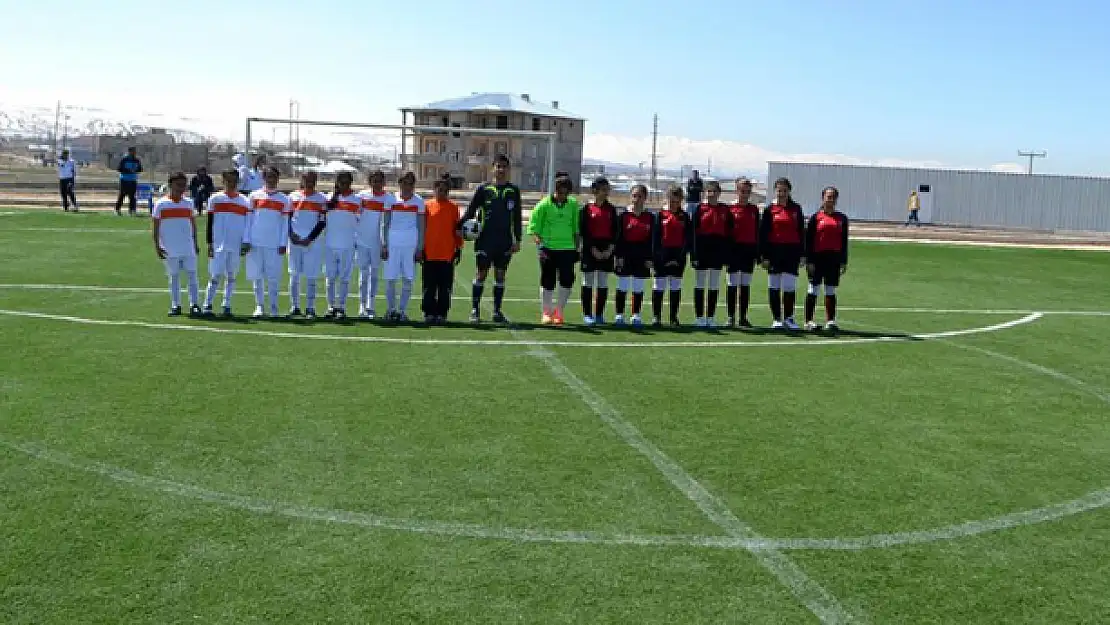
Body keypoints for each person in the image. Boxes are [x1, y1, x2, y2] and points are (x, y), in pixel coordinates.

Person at [459, 153, 522, 323]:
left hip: (505, 241)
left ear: (508, 169)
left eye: (504, 166)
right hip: (485, 239)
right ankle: (475, 310)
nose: (501, 169)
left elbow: (516, 216)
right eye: (498, 166)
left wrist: (518, 240)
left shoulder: (513, 191)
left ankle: (496, 311)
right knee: (481, 274)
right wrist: (459, 226)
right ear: (492, 168)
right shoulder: (483, 189)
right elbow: (471, 211)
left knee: (500, 275)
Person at [528, 174, 580, 325]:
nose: (562, 196)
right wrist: (539, 242)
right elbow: (533, 225)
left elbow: (576, 228)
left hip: (568, 249)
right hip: (548, 249)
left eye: (565, 193)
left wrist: (577, 248)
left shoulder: (573, 204)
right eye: (560, 192)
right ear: (555, 190)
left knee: (567, 280)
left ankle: (559, 311)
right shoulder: (543, 204)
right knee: (547, 280)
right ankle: (546, 312)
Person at [759, 177, 806, 330]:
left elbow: (801, 232)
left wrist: (802, 255)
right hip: (774, 252)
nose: (782, 193)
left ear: (789, 191)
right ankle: (776, 319)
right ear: (775, 191)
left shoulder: (796, 209)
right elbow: (763, 234)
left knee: (789, 287)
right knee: (774, 286)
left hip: (791, 252)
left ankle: (789, 318)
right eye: (779, 190)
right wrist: (764, 256)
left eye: (784, 190)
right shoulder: (769, 209)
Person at [202, 169, 251, 316]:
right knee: (215, 275)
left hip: (235, 244)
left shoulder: (244, 201)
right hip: (218, 245)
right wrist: (209, 243)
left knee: (231, 276)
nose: (231, 184)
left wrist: (245, 242)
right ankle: (207, 304)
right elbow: (209, 223)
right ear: (223, 181)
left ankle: (226, 304)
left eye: (234, 181)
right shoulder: (215, 199)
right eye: (228, 181)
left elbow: (247, 224)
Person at [151, 172, 200, 316]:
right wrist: (157, 246)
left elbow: (193, 224)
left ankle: (194, 305)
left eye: (184, 185)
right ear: (171, 184)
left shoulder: (188, 203)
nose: (181, 188)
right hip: (169, 247)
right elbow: (155, 226)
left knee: (192, 276)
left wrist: (195, 242)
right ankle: (176, 305)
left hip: (187, 246)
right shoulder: (161, 204)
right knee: (174, 276)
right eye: (178, 185)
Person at [245, 167, 291, 318]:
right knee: (257, 276)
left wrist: (283, 242)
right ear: (264, 178)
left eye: (274, 177)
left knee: (273, 277)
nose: (271, 180)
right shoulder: (254, 196)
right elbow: (249, 220)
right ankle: (259, 306)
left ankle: (273, 307)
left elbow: (285, 223)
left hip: (274, 244)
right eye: (268, 177)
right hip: (256, 242)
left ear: (277, 179)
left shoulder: (284, 199)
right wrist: (247, 239)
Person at [804, 186, 850, 331]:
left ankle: (830, 321)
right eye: (828, 197)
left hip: (834, 259)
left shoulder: (842, 218)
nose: (830, 200)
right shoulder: (815, 217)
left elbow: (844, 241)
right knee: (813, 288)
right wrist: (809, 260)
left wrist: (843, 260)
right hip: (817, 259)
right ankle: (808, 321)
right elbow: (808, 240)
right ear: (823, 198)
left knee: (830, 290)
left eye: (833, 197)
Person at [382, 171, 425, 322]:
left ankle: (402, 311)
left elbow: (421, 227)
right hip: (393, 245)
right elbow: (385, 224)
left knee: (408, 279)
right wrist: (384, 245)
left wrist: (419, 248)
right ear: (399, 183)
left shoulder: (419, 202)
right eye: (405, 183)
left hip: (410, 246)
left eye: (411, 184)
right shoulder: (390, 199)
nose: (407, 187)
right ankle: (391, 309)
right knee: (390, 279)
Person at [422, 175, 464, 324]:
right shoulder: (426, 206)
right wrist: (421, 248)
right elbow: (422, 229)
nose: (442, 193)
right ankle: (428, 312)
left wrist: (459, 247)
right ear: (434, 190)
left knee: (445, 288)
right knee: (429, 286)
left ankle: (442, 313)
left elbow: (457, 229)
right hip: (430, 253)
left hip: (447, 254)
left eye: (445, 190)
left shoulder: (453, 208)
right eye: (440, 190)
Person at [578, 176, 620, 326]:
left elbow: (616, 231)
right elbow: (583, 231)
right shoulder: (586, 209)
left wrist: (610, 249)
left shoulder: (612, 209)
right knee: (588, 281)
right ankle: (587, 314)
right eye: (603, 190)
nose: (606, 192)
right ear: (594, 191)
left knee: (603, 282)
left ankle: (599, 315)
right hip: (590, 249)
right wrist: (592, 248)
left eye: (607, 189)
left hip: (606, 248)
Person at [690, 180, 732, 328]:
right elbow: (693, 233)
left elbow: (728, 234)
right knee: (700, 285)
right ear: (705, 193)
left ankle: (711, 317)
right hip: (702, 251)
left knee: (714, 285)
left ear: (719, 193)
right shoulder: (699, 209)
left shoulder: (725, 210)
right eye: (709, 191)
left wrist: (726, 255)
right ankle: (700, 317)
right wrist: (694, 255)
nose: (712, 194)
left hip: (718, 252)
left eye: (714, 191)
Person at [287, 171, 327, 319]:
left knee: (311, 275)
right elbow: (287, 218)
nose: (309, 182)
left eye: (312, 180)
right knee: (294, 274)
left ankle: (310, 308)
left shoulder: (322, 199)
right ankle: (295, 307)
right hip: (295, 241)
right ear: (302, 180)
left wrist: (310, 238)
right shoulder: (292, 197)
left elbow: (322, 222)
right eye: (307, 179)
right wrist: (291, 235)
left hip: (313, 243)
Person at [613, 184, 655, 327]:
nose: (636, 199)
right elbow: (618, 238)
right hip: (625, 254)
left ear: (645, 198)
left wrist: (650, 258)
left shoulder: (650, 217)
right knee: (622, 285)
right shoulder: (623, 215)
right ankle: (619, 314)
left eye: (640, 196)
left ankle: (635, 314)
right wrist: (618, 256)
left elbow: (651, 240)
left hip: (642, 256)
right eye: (634, 195)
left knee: (638, 286)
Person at [651, 185, 693, 326]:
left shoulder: (685, 217)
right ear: (667, 199)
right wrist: (659, 258)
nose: (674, 204)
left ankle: (673, 317)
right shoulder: (659, 215)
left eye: (677, 201)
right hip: (661, 257)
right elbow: (655, 239)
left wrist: (679, 258)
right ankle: (656, 317)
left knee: (675, 287)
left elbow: (688, 239)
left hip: (678, 257)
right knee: (659, 286)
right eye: (672, 201)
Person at [356, 170, 395, 319]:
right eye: (374, 180)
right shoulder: (361, 197)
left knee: (374, 275)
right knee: (363, 274)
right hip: (362, 241)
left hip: (378, 244)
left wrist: (386, 243)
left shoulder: (390, 199)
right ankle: (361, 305)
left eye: (380, 181)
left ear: (384, 182)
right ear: (370, 181)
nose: (377, 184)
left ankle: (370, 306)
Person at [324, 172, 360, 320]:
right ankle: (331, 306)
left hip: (348, 244)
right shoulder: (328, 198)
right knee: (330, 277)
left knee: (344, 278)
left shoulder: (357, 200)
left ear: (351, 183)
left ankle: (341, 307)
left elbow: (360, 221)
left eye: (347, 182)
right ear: (337, 182)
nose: (344, 185)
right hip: (330, 244)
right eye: (341, 182)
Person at [726, 177, 760, 328]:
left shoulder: (754, 210)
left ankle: (743, 317)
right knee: (732, 284)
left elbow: (757, 232)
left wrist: (757, 254)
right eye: (742, 191)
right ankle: (731, 317)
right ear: (736, 190)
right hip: (733, 251)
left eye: (747, 191)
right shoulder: (729, 209)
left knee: (745, 285)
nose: (744, 194)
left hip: (748, 251)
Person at [115, 147, 143, 216]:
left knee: (132, 196)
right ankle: (118, 210)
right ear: (129, 152)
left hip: (133, 180)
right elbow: (119, 169)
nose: (134, 153)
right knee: (122, 195)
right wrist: (128, 170)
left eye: (135, 152)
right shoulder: (124, 159)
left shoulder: (136, 160)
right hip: (124, 180)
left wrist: (135, 170)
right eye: (133, 151)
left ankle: (131, 211)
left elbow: (140, 169)